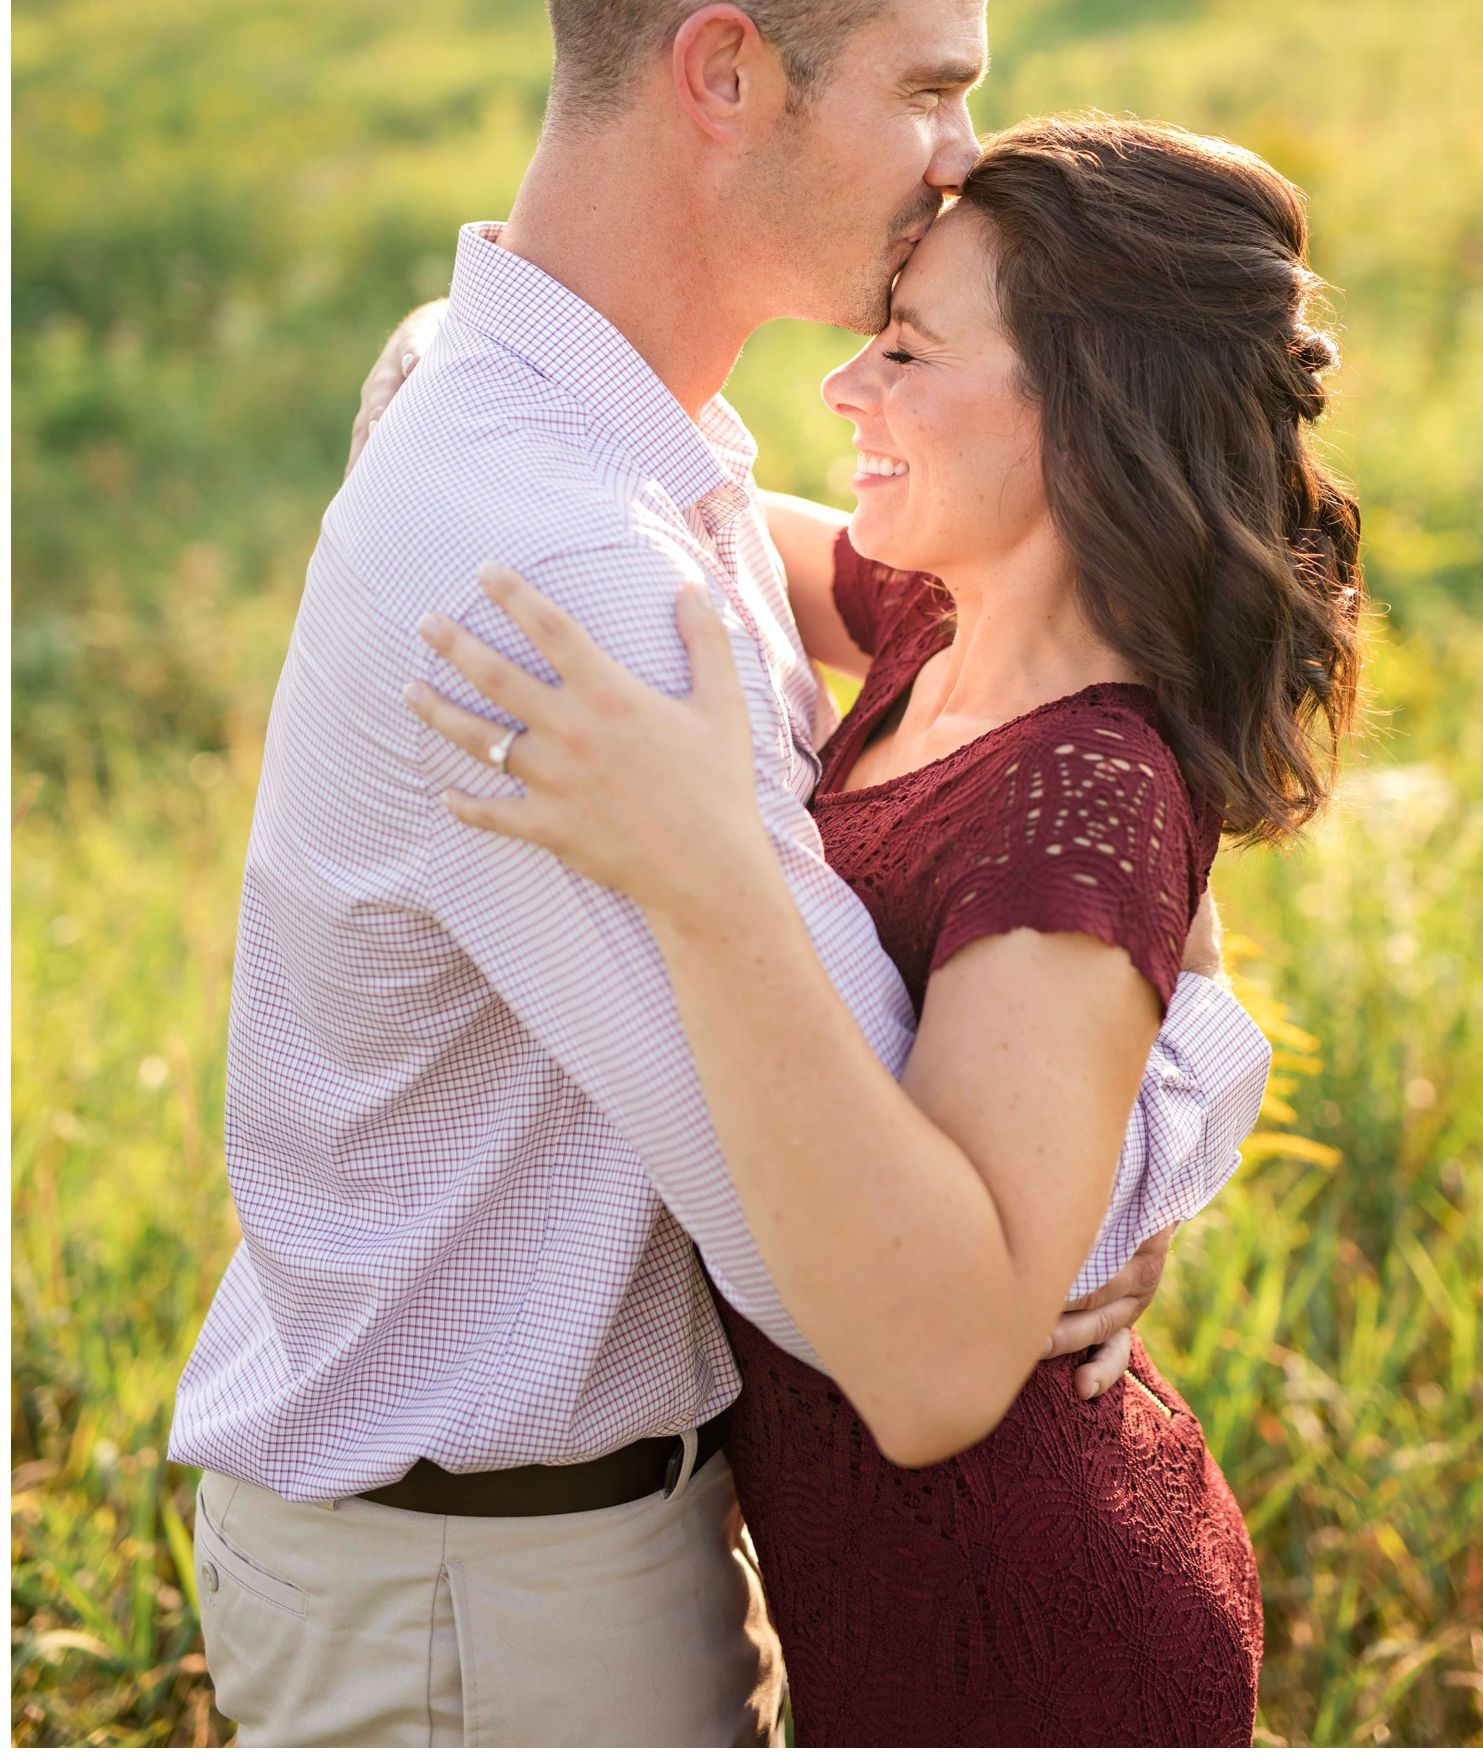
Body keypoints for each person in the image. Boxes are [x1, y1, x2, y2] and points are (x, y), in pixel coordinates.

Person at [171, 0, 1272, 1747]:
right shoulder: (571, 563)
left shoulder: (528, 402)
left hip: (537, 1546)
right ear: (727, 76)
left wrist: (1105, 1060)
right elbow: (929, 1319)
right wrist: (1111, 1159)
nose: (956, 161)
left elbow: (961, 591)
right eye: (932, 88)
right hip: (483, 1607)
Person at [407, 117, 1361, 1742]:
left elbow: (935, 1389)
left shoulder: (1085, 788)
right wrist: (452, 345)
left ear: (1086, 414)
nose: (844, 395)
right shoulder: (944, 614)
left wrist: (709, 871)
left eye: (906, 354)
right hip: (871, 1592)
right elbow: (657, 513)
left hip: (1030, 1639)